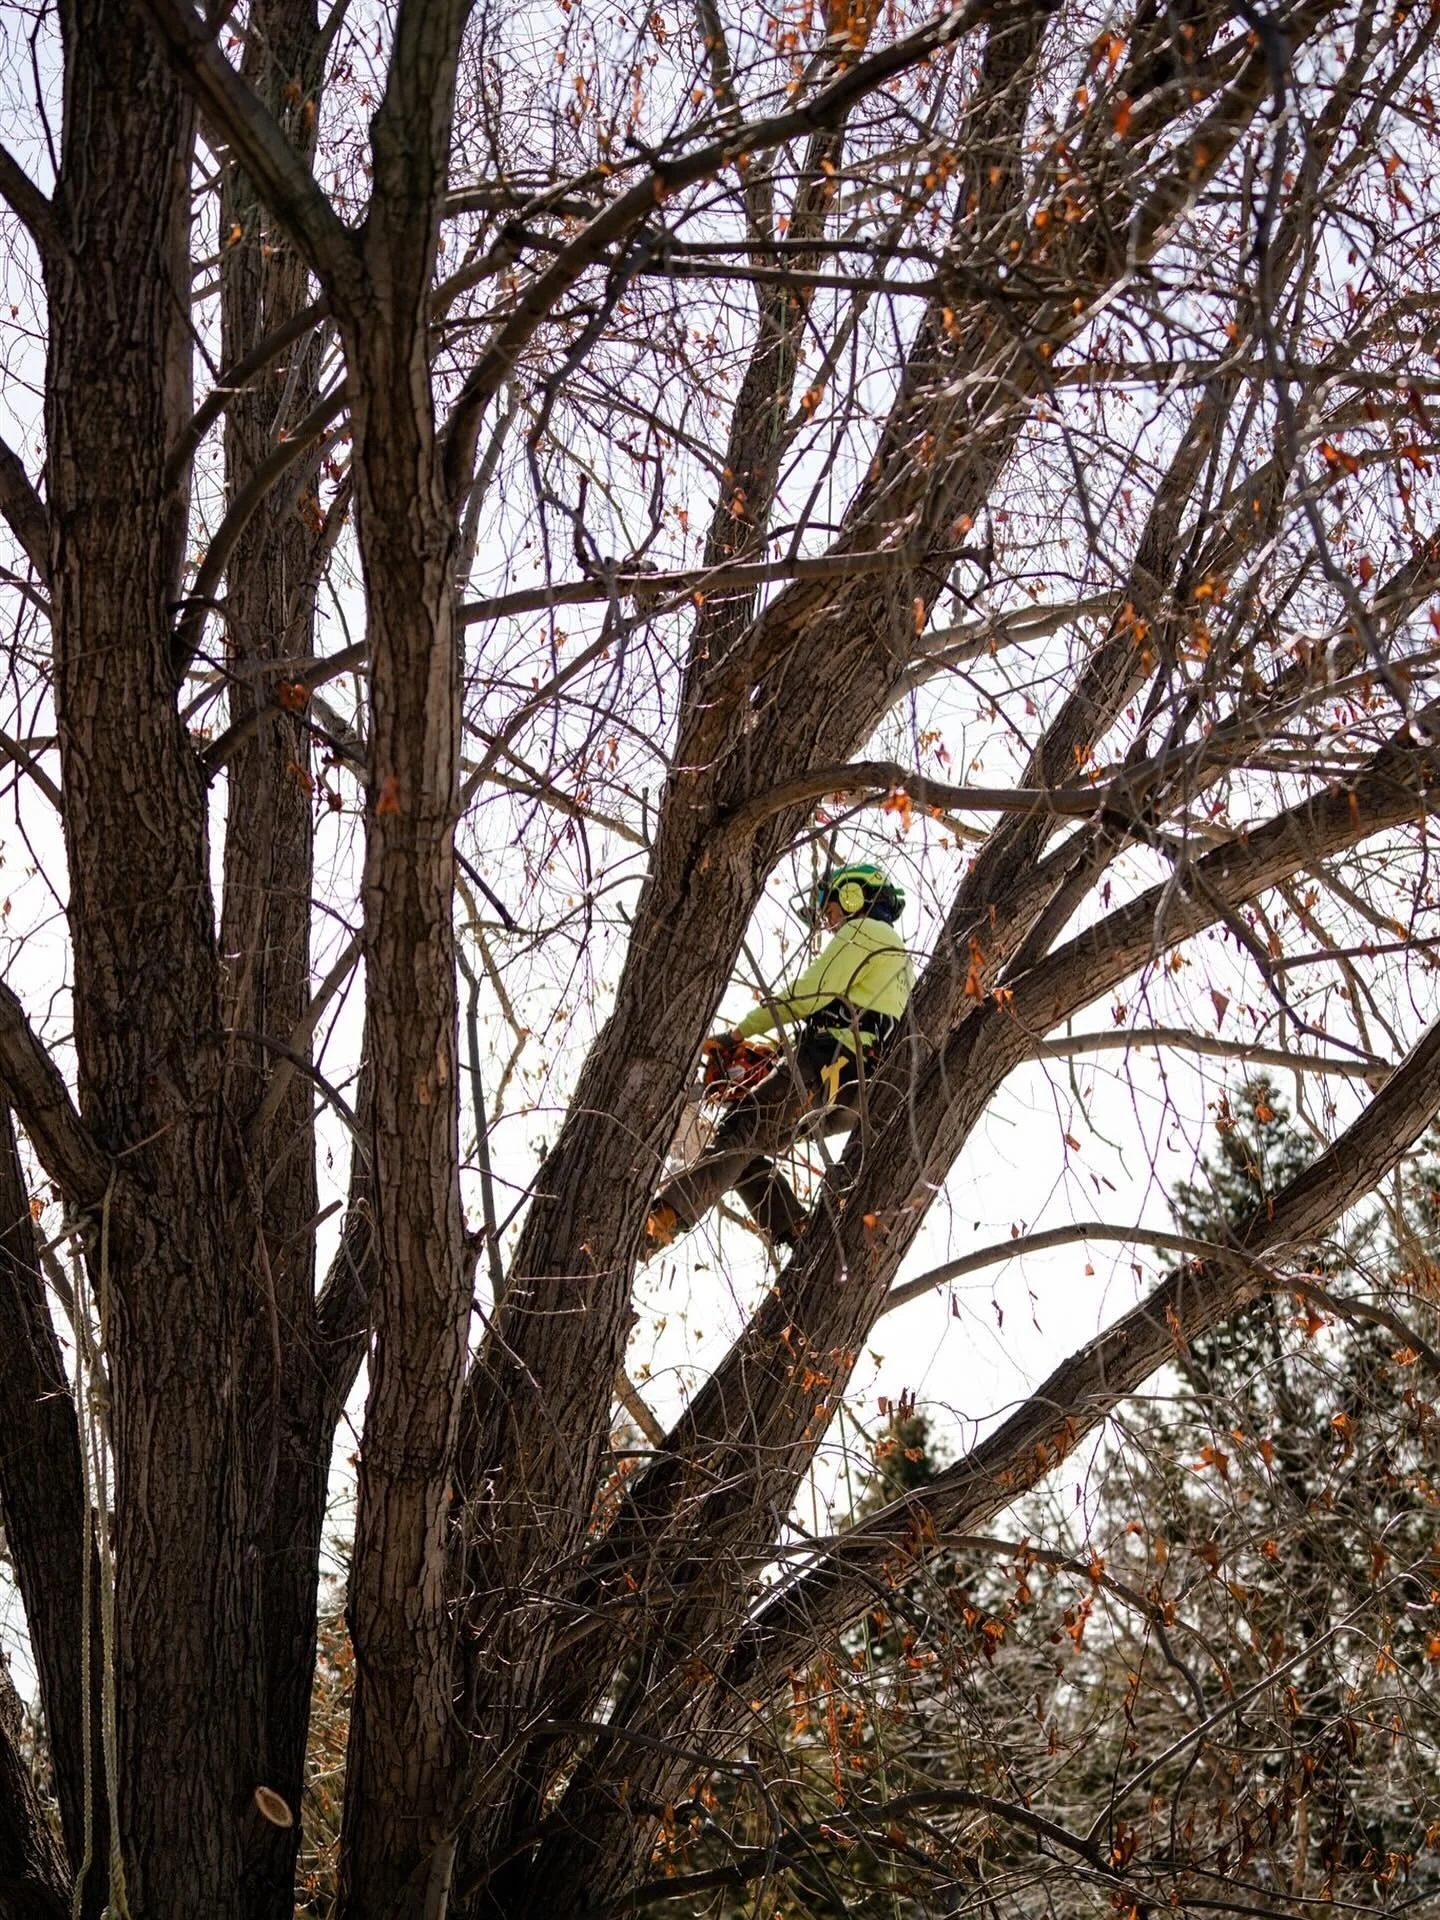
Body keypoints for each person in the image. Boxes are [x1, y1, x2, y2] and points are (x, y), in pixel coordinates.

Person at [646, 863, 912, 1253]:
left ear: (854, 895)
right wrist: (769, 1057)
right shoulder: (900, 957)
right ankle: (796, 1232)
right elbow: (851, 1016)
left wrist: (737, 1032)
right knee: (746, 1152)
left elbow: (807, 996)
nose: (829, 922)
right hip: (852, 1094)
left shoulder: (863, 931)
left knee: (739, 1131)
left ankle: (660, 1222)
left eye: (832, 909)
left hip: (827, 1065)